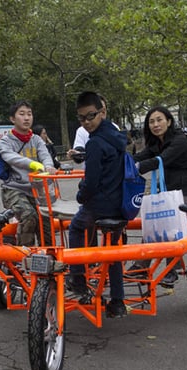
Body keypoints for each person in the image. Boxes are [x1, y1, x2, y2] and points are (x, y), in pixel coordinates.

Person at [66, 91, 127, 318]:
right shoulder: (117, 135)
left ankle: (78, 278)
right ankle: (118, 301)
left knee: (76, 227)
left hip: (99, 205)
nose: (86, 122)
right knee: (112, 252)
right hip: (119, 204)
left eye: (90, 116)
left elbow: (91, 182)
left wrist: (81, 196)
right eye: (81, 119)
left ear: (101, 112)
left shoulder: (94, 144)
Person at [125, 106, 187, 287]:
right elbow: (139, 157)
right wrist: (120, 162)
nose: (155, 124)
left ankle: (171, 270)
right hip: (167, 191)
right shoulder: (156, 143)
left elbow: (161, 160)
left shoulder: (180, 141)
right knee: (152, 220)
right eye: (151, 121)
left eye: (159, 120)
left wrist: (135, 168)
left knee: (170, 217)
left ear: (169, 121)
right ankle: (141, 267)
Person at [0, 101, 56, 246]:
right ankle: (24, 255)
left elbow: (45, 155)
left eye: (29, 114)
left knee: (47, 220)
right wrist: (32, 163)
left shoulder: (36, 139)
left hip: (36, 190)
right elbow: (10, 157)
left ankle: (50, 256)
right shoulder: (5, 141)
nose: (26, 118)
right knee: (29, 216)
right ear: (13, 119)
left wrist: (48, 166)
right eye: (22, 114)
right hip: (15, 189)